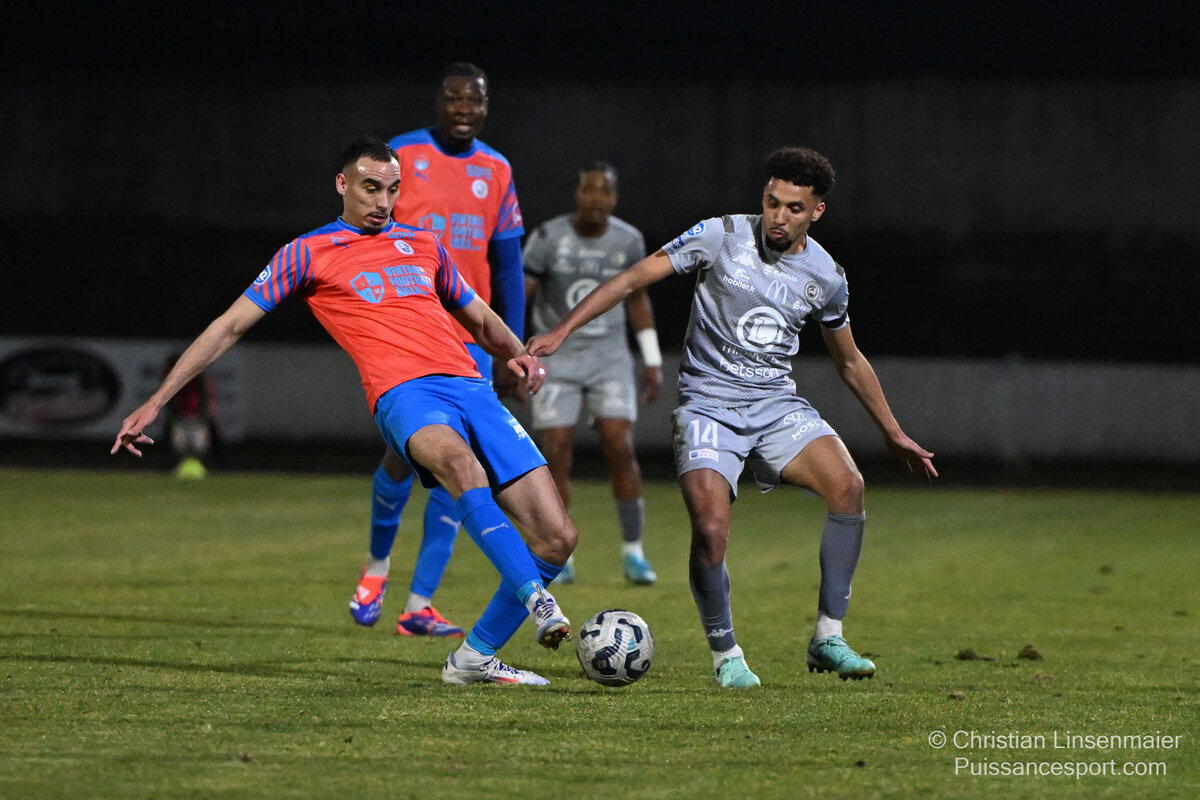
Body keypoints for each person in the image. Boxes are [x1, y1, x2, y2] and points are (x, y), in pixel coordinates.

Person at [113, 138, 576, 685]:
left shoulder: (424, 244)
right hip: (405, 395)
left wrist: (517, 353)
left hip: (472, 388)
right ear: (342, 184)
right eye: (371, 188)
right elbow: (229, 326)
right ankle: (536, 599)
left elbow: (478, 317)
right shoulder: (308, 253)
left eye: (393, 190)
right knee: (460, 467)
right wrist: (157, 400)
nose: (384, 202)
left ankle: (474, 657)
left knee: (558, 537)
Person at [528, 146, 936, 689]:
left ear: (817, 211)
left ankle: (827, 636)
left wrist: (893, 432)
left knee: (849, 487)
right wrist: (561, 330)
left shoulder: (826, 275)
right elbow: (632, 279)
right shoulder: (719, 235)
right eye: (772, 202)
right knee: (710, 530)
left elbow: (849, 360)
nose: (778, 216)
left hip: (775, 404)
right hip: (708, 405)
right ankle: (727, 655)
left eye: (794, 208)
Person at [350, 62, 528, 638]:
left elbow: (508, 265)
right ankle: (377, 566)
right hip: (409, 335)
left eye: (474, 100)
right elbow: (367, 236)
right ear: (438, 101)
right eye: (454, 98)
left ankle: (419, 604)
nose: (464, 109)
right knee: (402, 458)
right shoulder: (402, 157)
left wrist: (510, 349)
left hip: (469, 343)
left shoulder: (496, 169)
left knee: (460, 467)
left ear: (486, 105)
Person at [522, 162, 661, 585]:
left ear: (615, 198)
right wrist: (510, 351)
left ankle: (634, 552)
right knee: (555, 451)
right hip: (557, 358)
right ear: (577, 194)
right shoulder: (548, 238)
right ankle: (559, 551)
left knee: (620, 445)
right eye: (590, 190)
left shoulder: (628, 240)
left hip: (608, 357)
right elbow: (521, 294)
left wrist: (652, 358)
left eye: (605, 191)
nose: (597, 198)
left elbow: (637, 299)